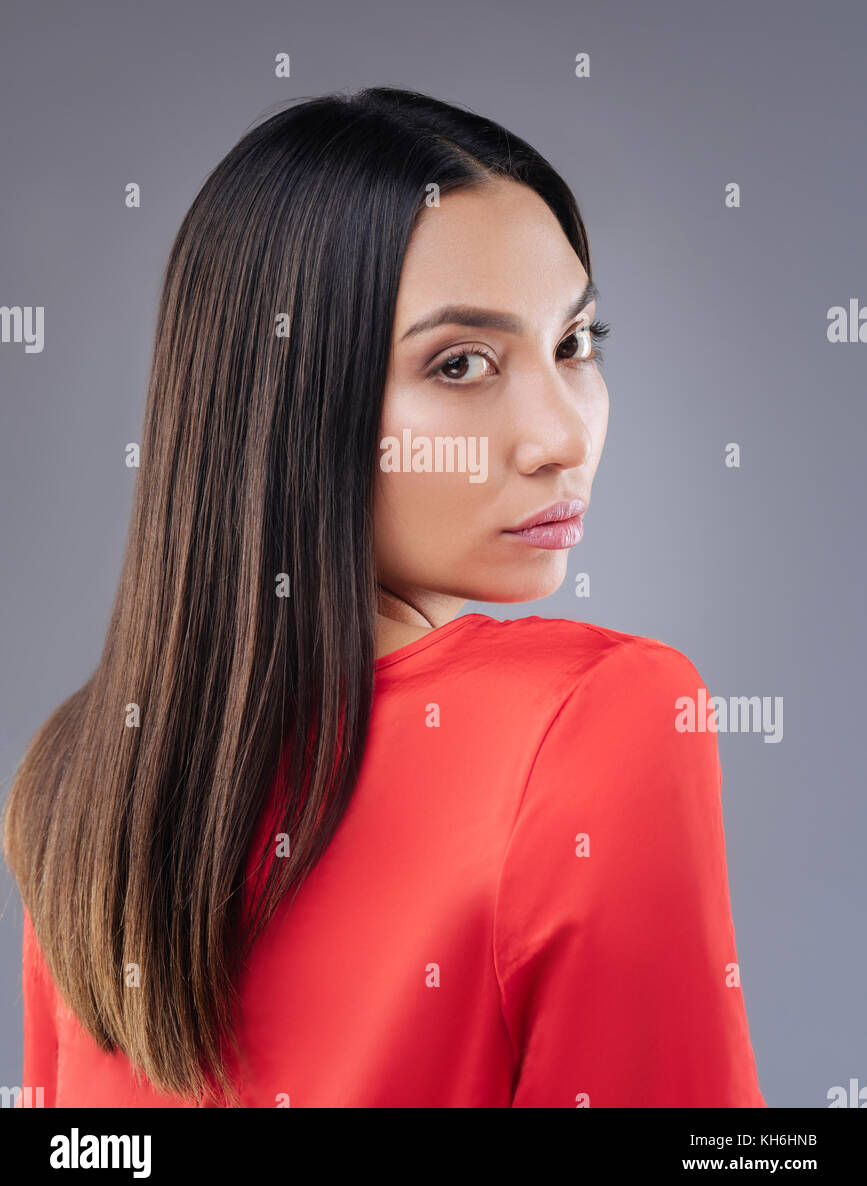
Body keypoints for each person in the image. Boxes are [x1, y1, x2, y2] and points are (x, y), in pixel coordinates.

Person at [5, 87, 766, 1107]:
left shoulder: (85, 769)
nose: (562, 436)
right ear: (290, 401)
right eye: (460, 363)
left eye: (575, 343)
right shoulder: (598, 717)